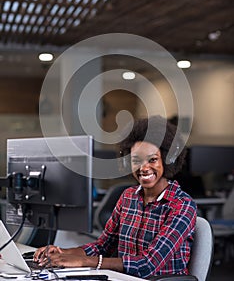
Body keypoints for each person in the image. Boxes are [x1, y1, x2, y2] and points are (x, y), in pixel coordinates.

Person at [34, 115, 197, 279]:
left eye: (153, 160)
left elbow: (148, 265)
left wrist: (83, 261)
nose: (144, 167)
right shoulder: (128, 197)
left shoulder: (182, 205)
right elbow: (103, 245)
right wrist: (64, 253)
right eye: (136, 160)